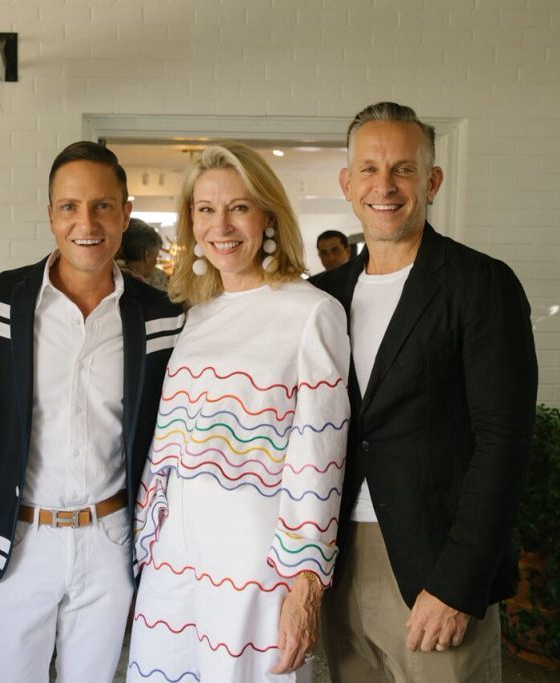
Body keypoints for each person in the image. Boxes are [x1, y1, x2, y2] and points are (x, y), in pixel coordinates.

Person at [312, 101, 538, 682]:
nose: (384, 186)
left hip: (432, 565)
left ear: (432, 181)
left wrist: (458, 583)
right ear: (347, 183)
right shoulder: (320, 296)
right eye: (368, 169)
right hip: (336, 560)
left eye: (403, 169)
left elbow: (504, 442)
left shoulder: (480, 284)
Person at [128, 142, 350, 682]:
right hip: (173, 556)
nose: (220, 225)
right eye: (205, 209)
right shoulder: (198, 315)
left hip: (254, 563)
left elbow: (318, 460)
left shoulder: (312, 312)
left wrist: (305, 585)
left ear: (268, 216)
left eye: (239, 207)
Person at [0, 141, 184, 682]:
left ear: (125, 213)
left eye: (102, 206)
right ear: (50, 215)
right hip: (19, 538)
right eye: (69, 206)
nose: (85, 222)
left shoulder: (161, 318)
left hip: (110, 538)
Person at [118, 217, 169, 290]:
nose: (156, 262)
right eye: (156, 256)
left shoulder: (109, 276)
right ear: (147, 255)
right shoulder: (159, 280)